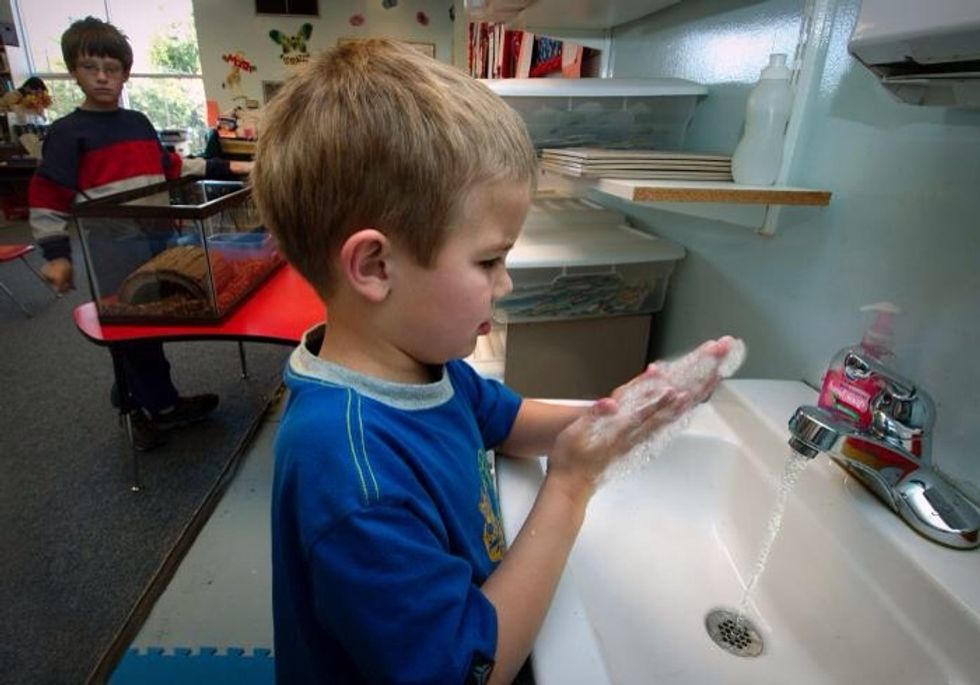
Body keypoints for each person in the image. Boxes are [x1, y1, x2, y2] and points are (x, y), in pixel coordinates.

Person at [251, 38, 731, 685]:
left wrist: (615, 416)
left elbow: (503, 418)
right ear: (375, 265)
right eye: (488, 261)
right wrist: (567, 485)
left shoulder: (423, 366)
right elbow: (465, 669)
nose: (504, 285)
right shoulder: (351, 473)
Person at [28, 17, 251, 450]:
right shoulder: (68, 132)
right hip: (109, 247)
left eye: (112, 68)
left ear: (126, 72)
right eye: (91, 68)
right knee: (134, 327)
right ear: (75, 70)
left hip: (155, 239)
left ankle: (133, 402)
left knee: (151, 321)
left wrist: (239, 168)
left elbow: (176, 168)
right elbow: (47, 198)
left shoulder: (137, 122)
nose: (102, 77)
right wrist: (56, 255)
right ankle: (159, 408)